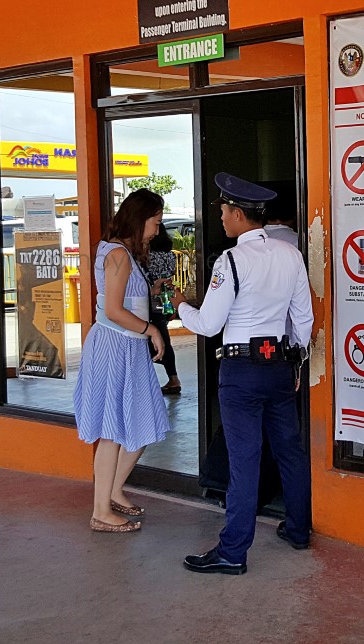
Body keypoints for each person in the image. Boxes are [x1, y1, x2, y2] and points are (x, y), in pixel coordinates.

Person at [175, 172, 314, 575]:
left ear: (238, 214)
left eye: (222, 211)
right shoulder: (291, 255)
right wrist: (297, 362)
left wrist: (182, 306)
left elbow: (208, 323)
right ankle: (299, 529)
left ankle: (233, 551)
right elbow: (302, 318)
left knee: (245, 460)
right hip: (280, 364)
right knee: (290, 450)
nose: (220, 218)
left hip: (241, 370)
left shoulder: (232, 260)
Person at [73, 189, 171, 533]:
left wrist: (152, 293)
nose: (157, 231)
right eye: (155, 223)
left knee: (145, 418)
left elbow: (123, 299)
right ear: (139, 218)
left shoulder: (118, 251)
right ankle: (101, 510)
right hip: (117, 345)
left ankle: (113, 490)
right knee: (112, 429)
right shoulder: (118, 254)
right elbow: (113, 311)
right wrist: (151, 331)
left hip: (125, 346)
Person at [148, 226, 182, 395]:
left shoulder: (146, 256)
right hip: (165, 301)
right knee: (164, 339)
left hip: (148, 302)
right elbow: (173, 273)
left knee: (148, 340)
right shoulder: (170, 255)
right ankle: (173, 377)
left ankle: (154, 380)